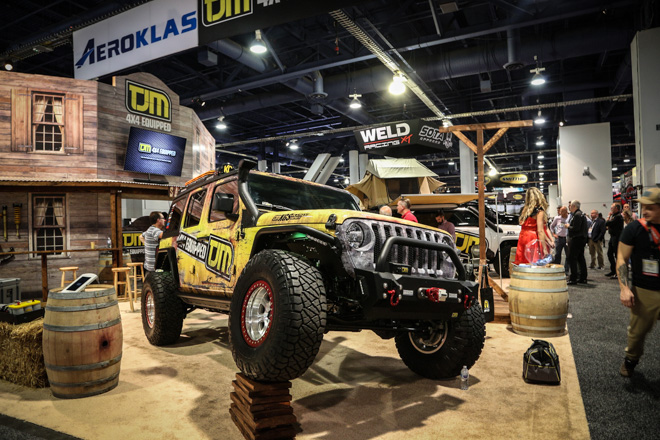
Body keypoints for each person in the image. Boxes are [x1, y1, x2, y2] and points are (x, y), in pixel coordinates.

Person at [616, 188, 660, 377]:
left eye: (650, 207)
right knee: (637, 333)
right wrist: (624, 288)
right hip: (644, 291)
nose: (645, 211)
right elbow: (621, 259)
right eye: (643, 207)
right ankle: (630, 361)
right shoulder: (634, 229)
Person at [513, 187, 553, 265]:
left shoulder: (524, 210)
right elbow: (540, 230)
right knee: (534, 261)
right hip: (533, 238)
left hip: (523, 236)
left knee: (523, 261)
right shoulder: (539, 210)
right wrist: (545, 249)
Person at [566, 200, 589, 285]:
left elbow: (576, 228)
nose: (569, 207)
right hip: (581, 239)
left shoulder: (577, 215)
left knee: (572, 258)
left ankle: (573, 278)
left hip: (577, 239)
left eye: (570, 206)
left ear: (574, 206)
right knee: (580, 258)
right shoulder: (581, 214)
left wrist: (568, 226)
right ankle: (583, 277)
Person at [605, 203, 624, 278]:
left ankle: (618, 272)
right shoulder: (614, 216)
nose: (611, 209)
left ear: (616, 208)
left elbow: (607, 223)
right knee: (609, 254)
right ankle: (613, 270)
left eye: (612, 207)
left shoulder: (618, 216)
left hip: (617, 238)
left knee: (617, 255)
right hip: (612, 237)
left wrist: (608, 216)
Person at [550, 206, 570, 272]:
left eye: (562, 211)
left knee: (568, 255)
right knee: (557, 254)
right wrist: (553, 234)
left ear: (566, 211)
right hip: (559, 238)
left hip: (567, 239)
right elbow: (552, 226)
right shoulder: (557, 218)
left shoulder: (569, 218)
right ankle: (557, 269)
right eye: (560, 211)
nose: (560, 212)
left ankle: (566, 270)